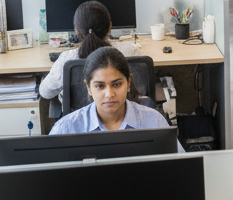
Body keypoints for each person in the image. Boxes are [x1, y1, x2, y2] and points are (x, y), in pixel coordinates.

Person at [50, 47, 178, 146]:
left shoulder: (154, 122)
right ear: (88, 87)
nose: (109, 94)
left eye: (116, 84)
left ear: (128, 82)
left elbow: (179, 166)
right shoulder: (66, 129)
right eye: (100, 86)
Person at [38, 0, 111, 100]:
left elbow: (45, 92)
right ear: (109, 27)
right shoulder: (120, 56)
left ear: (76, 30)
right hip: (113, 114)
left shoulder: (67, 59)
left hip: (77, 115)